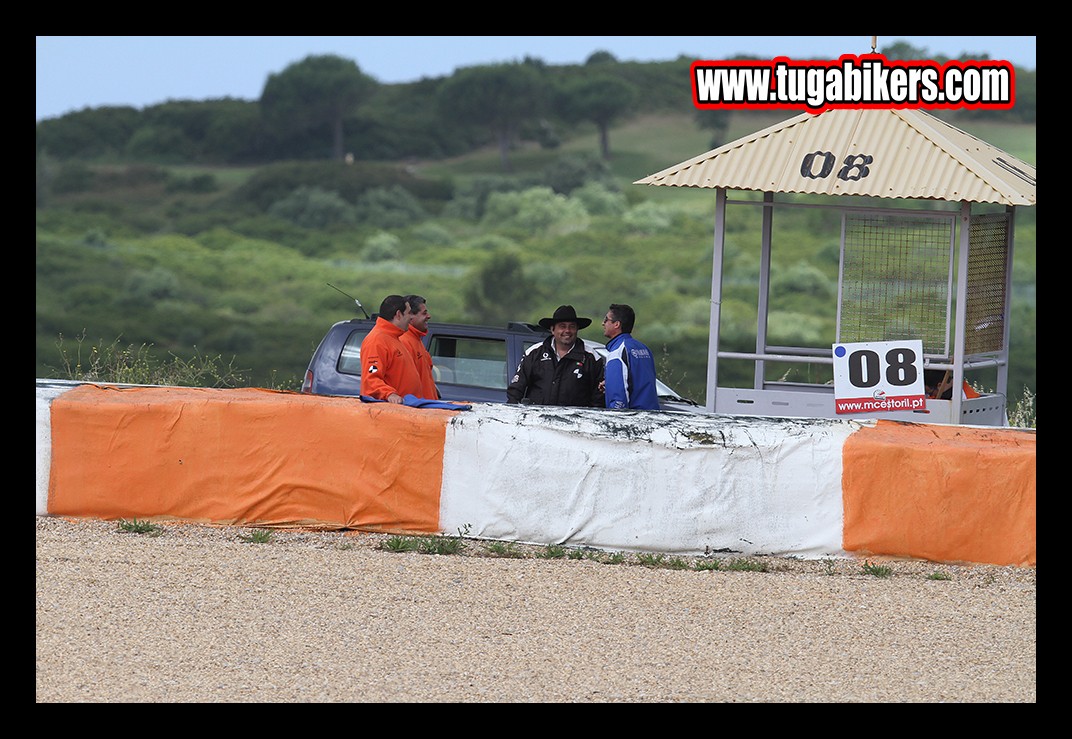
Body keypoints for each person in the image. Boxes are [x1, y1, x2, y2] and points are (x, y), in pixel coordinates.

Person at [507, 305, 604, 407]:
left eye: (572, 326)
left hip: (575, 421)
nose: (567, 331)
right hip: (536, 419)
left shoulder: (591, 358)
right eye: (562, 326)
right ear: (553, 330)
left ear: (577, 330)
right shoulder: (534, 353)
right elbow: (516, 390)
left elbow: (598, 399)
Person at [360, 294, 423, 404]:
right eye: (409, 313)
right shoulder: (376, 341)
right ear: (398, 314)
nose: (411, 317)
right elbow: (371, 379)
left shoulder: (394, 338)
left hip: (407, 409)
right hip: (392, 412)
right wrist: (389, 394)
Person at [601, 303, 661, 410]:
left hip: (632, 420)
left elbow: (619, 400)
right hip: (653, 417)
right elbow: (639, 381)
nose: (603, 323)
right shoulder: (644, 349)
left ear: (617, 324)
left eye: (606, 320)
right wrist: (610, 383)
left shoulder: (617, 352)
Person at [401, 294, 439, 399]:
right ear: (410, 316)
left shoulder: (416, 340)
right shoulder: (404, 342)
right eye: (424, 313)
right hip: (419, 411)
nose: (428, 316)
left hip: (428, 409)